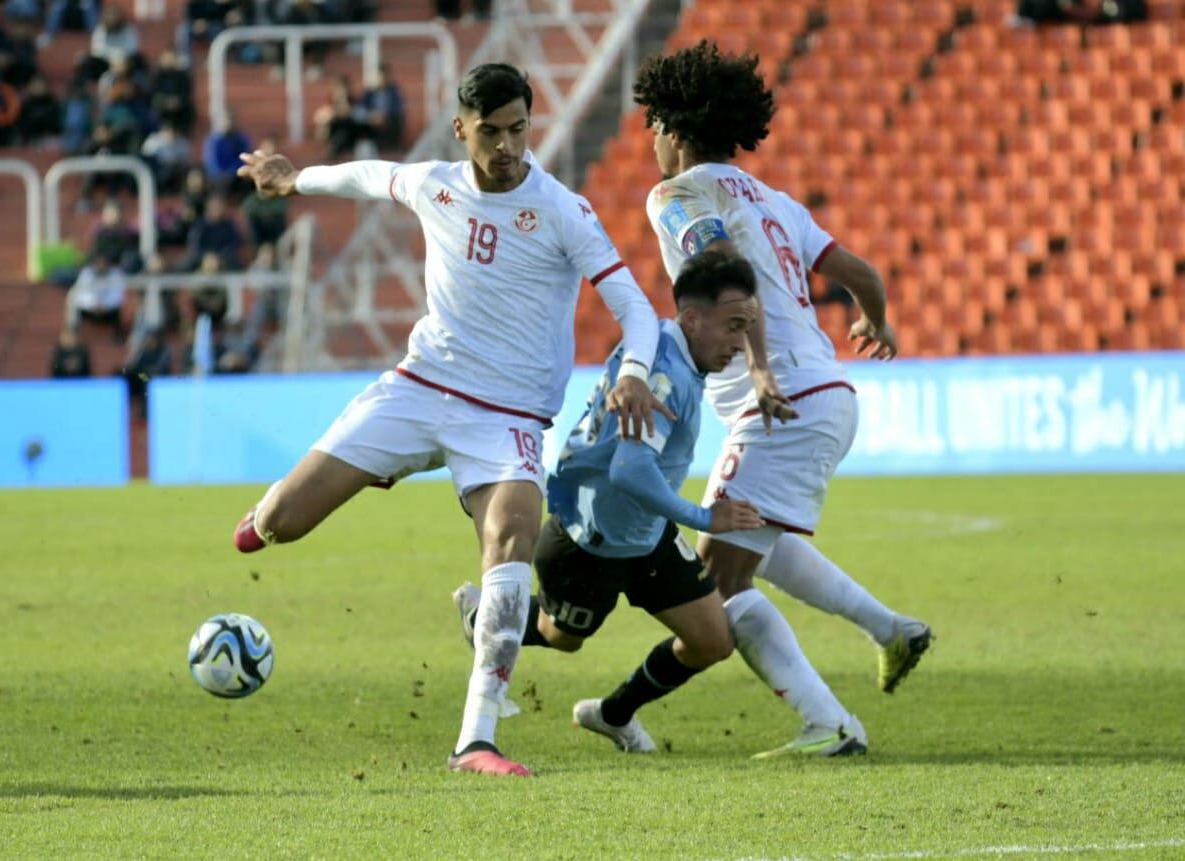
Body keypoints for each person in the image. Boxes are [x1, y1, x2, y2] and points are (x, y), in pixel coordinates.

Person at [231, 63, 668, 778]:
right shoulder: (436, 183)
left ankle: (477, 739)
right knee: (280, 522)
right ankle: (343, 481)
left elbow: (637, 311)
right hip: (420, 387)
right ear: (462, 127)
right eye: (490, 131)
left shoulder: (562, 210)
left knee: (511, 540)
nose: (506, 146)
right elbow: (372, 176)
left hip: (510, 417)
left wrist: (633, 373)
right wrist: (294, 178)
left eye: (518, 129)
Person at [634, 41, 932, 753]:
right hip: (830, 394)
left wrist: (760, 368)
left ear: (675, 129)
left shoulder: (677, 195)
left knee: (712, 583)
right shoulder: (774, 199)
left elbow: (725, 270)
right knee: (753, 544)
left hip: (779, 401)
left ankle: (828, 724)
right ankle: (891, 628)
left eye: (653, 125)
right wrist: (877, 320)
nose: (649, 140)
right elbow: (859, 271)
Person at [454, 251, 869, 755]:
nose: (741, 344)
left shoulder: (675, 356)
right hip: (590, 539)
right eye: (733, 327)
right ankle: (484, 619)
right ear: (692, 318)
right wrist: (703, 516)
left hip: (648, 533)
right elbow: (627, 470)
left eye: (747, 329)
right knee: (560, 636)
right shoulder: (664, 373)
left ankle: (613, 714)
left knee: (712, 642)